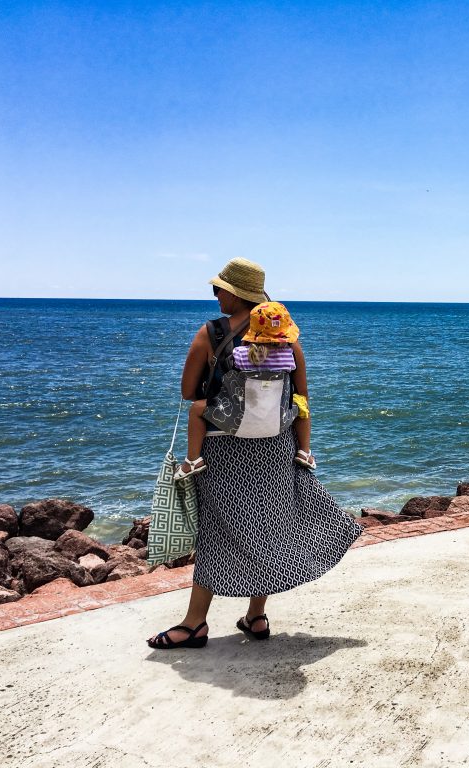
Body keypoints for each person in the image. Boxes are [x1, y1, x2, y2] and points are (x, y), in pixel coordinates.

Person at [147, 257, 362, 650]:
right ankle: (256, 615)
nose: (214, 295)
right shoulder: (285, 337)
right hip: (277, 450)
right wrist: (303, 448)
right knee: (266, 528)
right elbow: (301, 398)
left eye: (219, 289)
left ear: (235, 293)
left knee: (217, 531)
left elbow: (187, 392)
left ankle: (195, 624)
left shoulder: (212, 333)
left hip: (224, 451)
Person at [174, 300, 316, 481]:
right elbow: (301, 390)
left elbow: (223, 372)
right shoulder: (289, 356)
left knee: (196, 409)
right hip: (277, 422)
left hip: (236, 419)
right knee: (301, 404)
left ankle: (192, 460)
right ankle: (305, 451)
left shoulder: (240, 354)